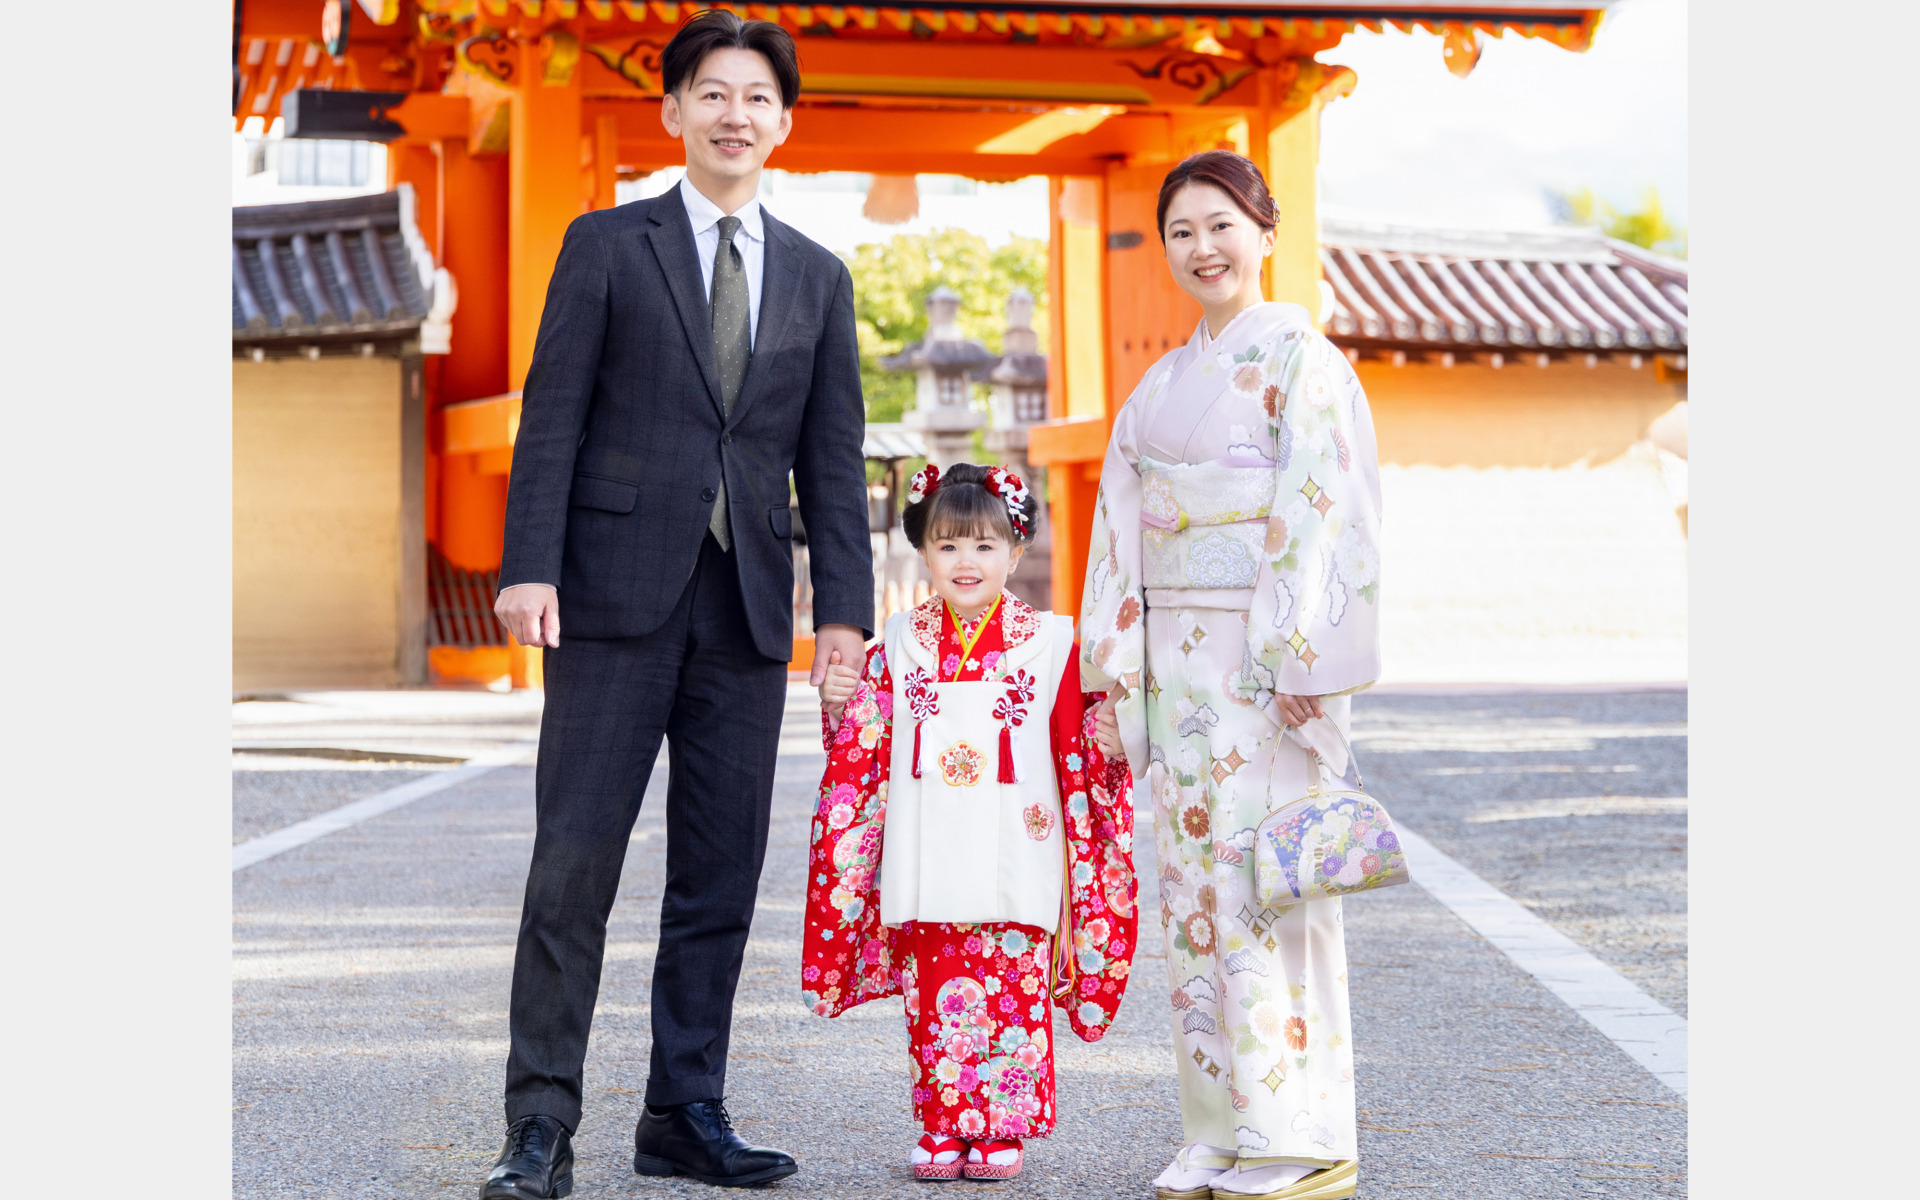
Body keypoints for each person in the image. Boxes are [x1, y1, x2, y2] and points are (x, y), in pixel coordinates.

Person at [481, 11, 873, 1198]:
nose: (735, 114)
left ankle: (684, 1109)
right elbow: (552, 413)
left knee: (718, 873)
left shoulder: (816, 274)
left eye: (758, 97)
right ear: (674, 111)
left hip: (747, 610)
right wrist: (527, 563)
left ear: (785, 122)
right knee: (574, 864)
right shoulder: (608, 244)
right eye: (713, 93)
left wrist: (843, 614)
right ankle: (541, 1123)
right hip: (608, 598)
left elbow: (834, 459)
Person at [1080, 151, 1383, 1200]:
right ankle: (1214, 1125)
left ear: (1265, 230)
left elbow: (1326, 508)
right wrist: (1117, 665)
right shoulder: (1160, 385)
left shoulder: (1303, 359)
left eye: (1221, 225)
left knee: (1272, 881)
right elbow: (1119, 530)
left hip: (1266, 666)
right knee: (1193, 893)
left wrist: (1307, 653)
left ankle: (1297, 1131)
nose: (1202, 249)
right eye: (1181, 232)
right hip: (1180, 665)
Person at [802, 463, 1139, 1182]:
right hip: (930, 843)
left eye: (986, 546)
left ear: (1016, 554)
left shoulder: (1051, 643)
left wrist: (1108, 738)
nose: (966, 562)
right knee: (937, 986)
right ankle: (942, 1122)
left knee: (1010, 980)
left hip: (1022, 838)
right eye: (949, 545)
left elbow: (1079, 741)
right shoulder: (897, 643)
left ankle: (1000, 1123)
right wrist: (842, 696)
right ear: (923, 551)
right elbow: (866, 740)